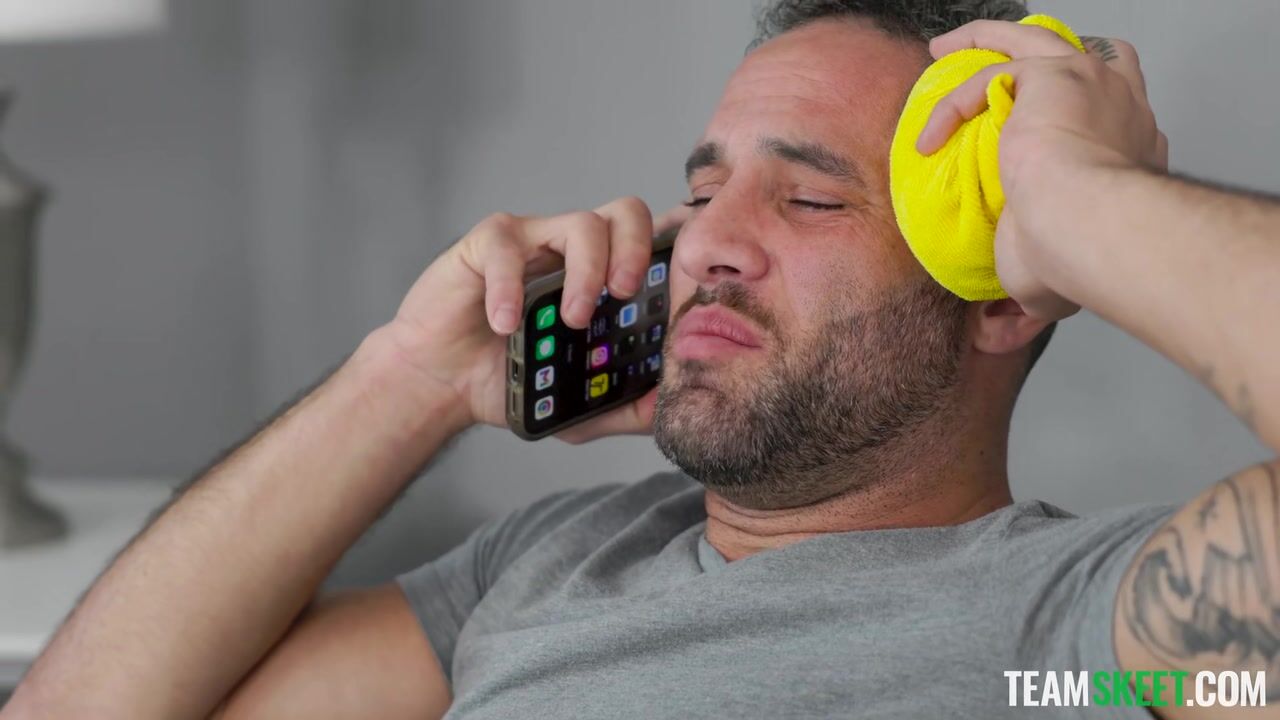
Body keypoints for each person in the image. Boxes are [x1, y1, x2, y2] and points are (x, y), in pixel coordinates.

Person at [6, 0, 1278, 717]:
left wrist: (1075, 198)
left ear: (998, 300)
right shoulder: (548, 563)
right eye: (704, 192)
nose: (706, 243)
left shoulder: (1074, 638)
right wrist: (410, 380)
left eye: (810, 200)